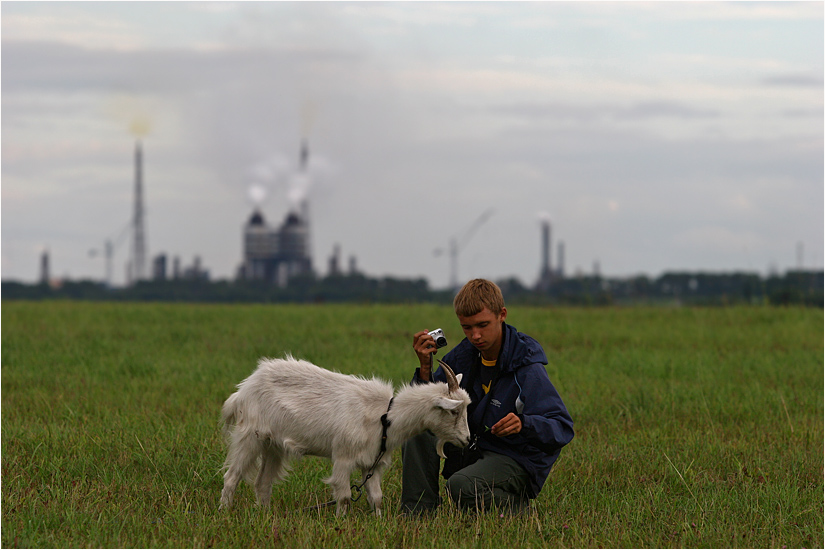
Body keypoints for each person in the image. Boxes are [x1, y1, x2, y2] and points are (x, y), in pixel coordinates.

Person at [400, 278, 574, 514]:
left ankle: (521, 510)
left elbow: (562, 427)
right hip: (473, 446)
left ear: (502, 314)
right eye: (467, 327)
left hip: (514, 457)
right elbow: (423, 408)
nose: (475, 336)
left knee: (461, 487)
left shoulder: (526, 366)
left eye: (483, 325)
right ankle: (418, 514)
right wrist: (424, 369)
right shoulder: (462, 356)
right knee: (416, 427)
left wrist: (523, 424)